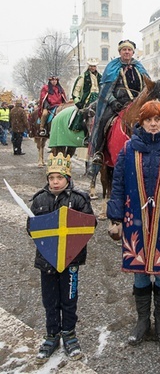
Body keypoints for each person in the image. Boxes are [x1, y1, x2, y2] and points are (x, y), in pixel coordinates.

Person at [107, 100, 160, 346]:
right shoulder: (129, 148)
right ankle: (142, 320)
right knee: (140, 274)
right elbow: (118, 183)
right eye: (148, 120)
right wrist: (116, 218)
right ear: (140, 122)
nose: (153, 124)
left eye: (158, 119)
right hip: (136, 221)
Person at [27, 152, 95, 363]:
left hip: (70, 261)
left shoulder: (79, 198)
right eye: (51, 178)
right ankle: (51, 335)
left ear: (68, 178)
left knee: (69, 299)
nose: (55, 182)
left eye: (60, 178)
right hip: (46, 260)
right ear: (47, 179)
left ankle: (69, 334)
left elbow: (89, 225)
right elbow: (32, 229)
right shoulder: (39, 199)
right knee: (50, 300)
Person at [90, 40, 149, 165]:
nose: (127, 52)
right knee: (102, 120)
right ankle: (98, 152)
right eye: (124, 50)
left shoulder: (139, 67)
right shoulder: (112, 66)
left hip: (137, 104)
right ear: (120, 52)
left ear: (133, 52)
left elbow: (147, 87)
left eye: (129, 50)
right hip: (117, 104)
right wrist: (113, 102)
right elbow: (105, 90)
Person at [70, 58, 102, 134]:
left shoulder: (100, 77)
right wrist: (77, 101)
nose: (92, 68)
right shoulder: (83, 76)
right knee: (86, 115)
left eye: (94, 66)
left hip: (99, 98)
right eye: (91, 66)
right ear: (88, 66)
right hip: (88, 99)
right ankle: (87, 135)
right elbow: (76, 90)